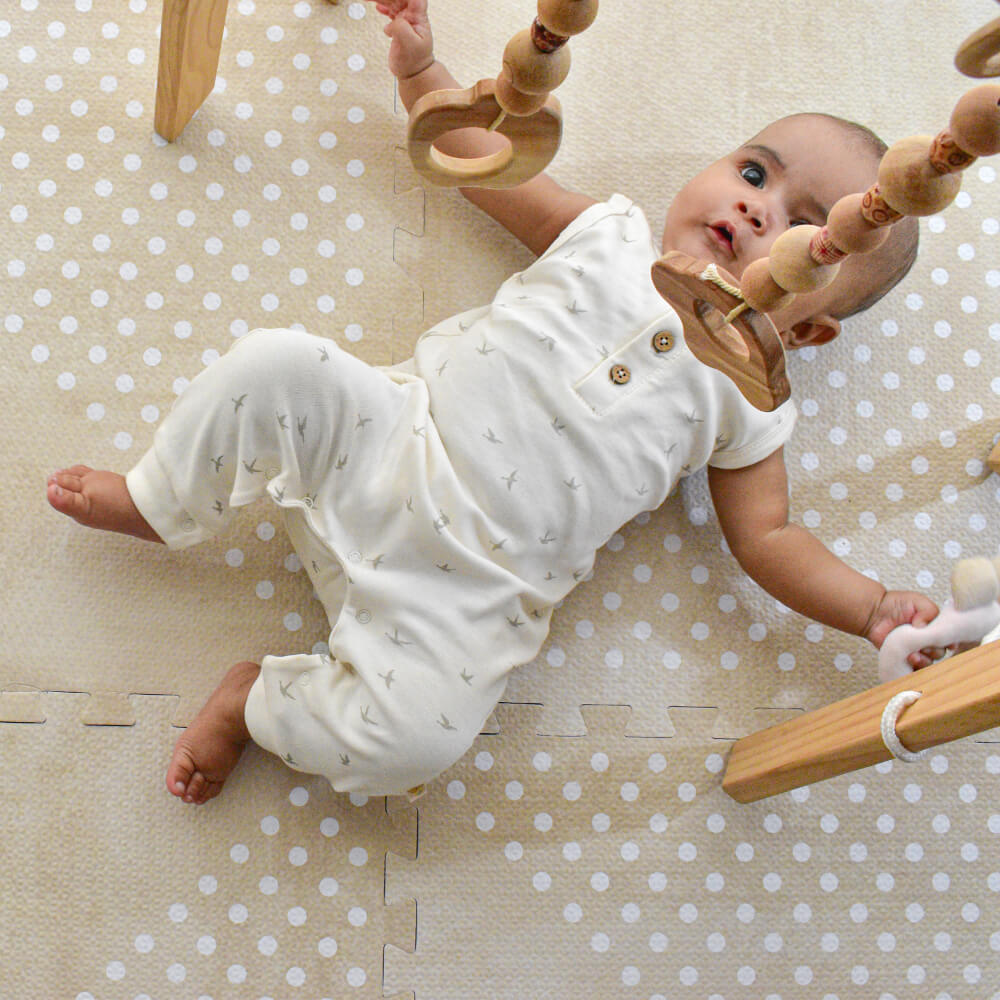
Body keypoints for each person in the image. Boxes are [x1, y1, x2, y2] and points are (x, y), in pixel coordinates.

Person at [46, 0, 942, 805]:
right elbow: (485, 167)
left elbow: (770, 538)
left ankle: (256, 704)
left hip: (469, 593)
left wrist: (868, 608)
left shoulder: (751, 398)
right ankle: (163, 498)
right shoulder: (611, 237)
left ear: (812, 331)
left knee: (415, 746)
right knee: (277, 362)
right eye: (754, 173)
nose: (756, 212)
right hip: (390, 438)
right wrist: (421, 78)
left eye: (805, 228)